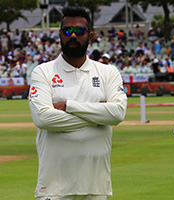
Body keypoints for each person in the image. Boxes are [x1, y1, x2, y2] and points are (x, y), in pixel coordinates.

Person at [28, 7, 127, 200]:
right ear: (59, 35)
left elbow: (117, 114)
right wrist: (99, 117)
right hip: (54, 188)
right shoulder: (43, 72)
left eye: (79, 31)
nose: (72, 35)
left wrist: (68, 106)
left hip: (96, 187)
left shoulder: (108, 73)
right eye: (67, 31)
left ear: (90, 36)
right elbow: (43, 118)